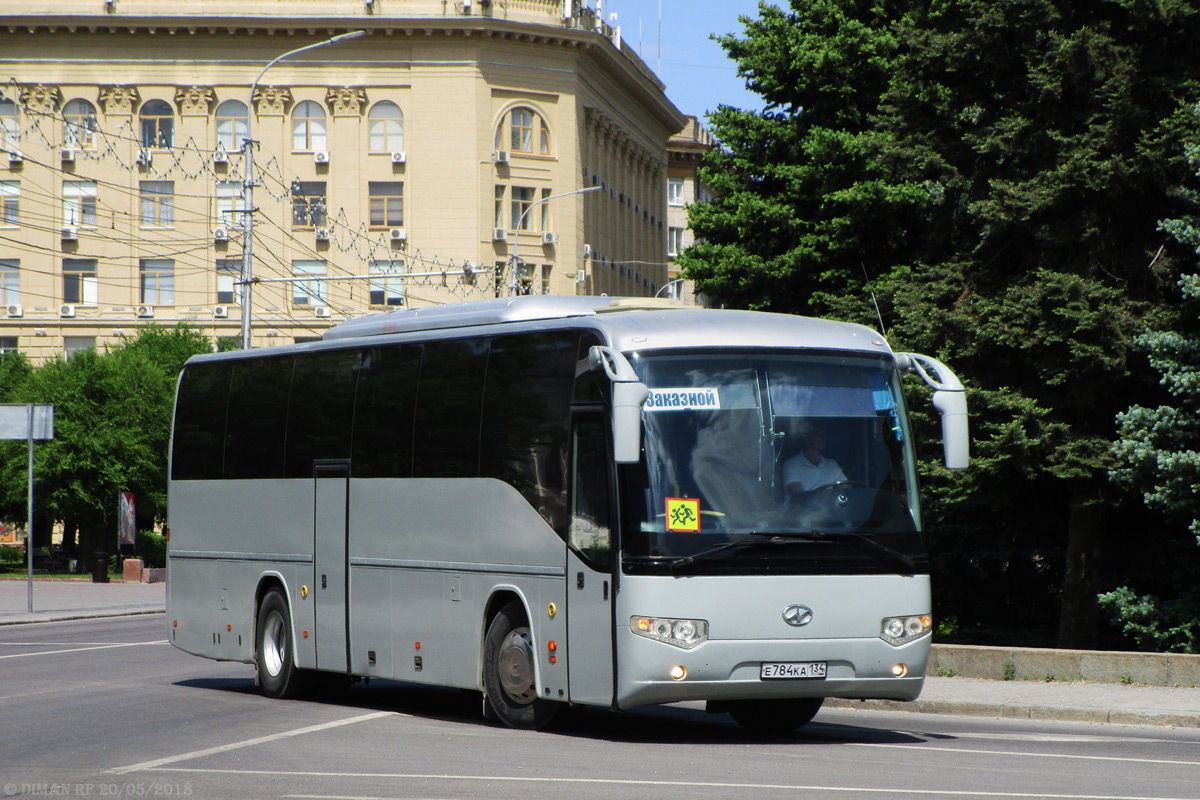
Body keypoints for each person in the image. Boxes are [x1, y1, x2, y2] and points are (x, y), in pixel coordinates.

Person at [783, 421, 846, 496]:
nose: (823, 437)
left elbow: (846, 489)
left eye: (824, 433)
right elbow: (799, 497)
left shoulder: (832, 464)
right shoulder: (792, 465)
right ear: (806, 437)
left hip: (830, 507)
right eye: (818, 434)